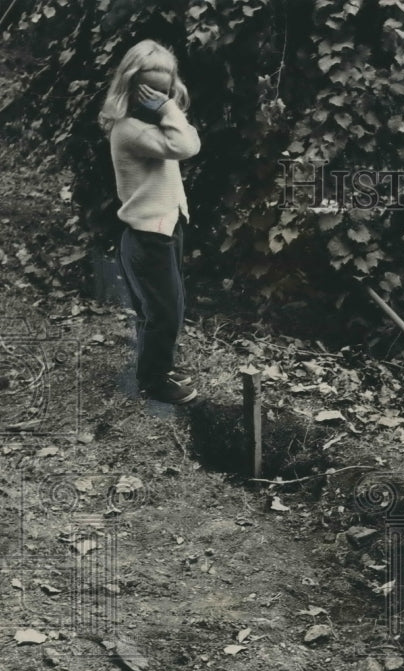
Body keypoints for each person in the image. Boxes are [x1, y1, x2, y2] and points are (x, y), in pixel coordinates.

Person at [99, 40, 201, 404]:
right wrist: (172, 108)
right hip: (147, 236)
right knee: (163, 312)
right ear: (132, 86)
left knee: (165, 307)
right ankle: (154, 381)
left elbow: (188, 138)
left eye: (165, 91)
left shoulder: (154, 124)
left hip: (165, 227)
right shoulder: (129, 130)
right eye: (150, 91)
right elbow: (186, 147)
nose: (157, 98)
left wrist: (168, 109)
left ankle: (158, 366)